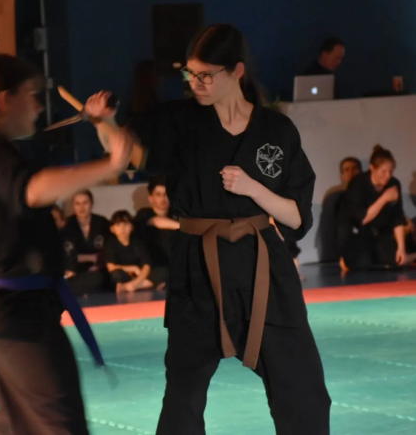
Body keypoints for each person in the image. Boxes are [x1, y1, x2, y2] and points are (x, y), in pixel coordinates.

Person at [86, 24, 331, 435]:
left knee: (304, 392)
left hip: (264, 272)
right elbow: (130, 155)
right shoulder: (179, 121)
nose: (195, 83)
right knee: (182, 399)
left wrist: (253, 188)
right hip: (198, 269)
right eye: (190, 73)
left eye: (205, 75)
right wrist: (105, 123)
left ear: (237, 71)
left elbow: (295, 217)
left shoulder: (276, 129)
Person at [0, 53, 132, 435]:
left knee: (14, 421)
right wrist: (110, 165)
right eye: (31, 95)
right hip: (18, 312)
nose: (39, 107)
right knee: (59, 424)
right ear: (5, 100)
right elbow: (33, 189)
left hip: (2, 307)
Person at [339, 145, 416, 270]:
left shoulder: (394, 184)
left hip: (381, 233)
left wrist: (401, 248)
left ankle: (408, 256)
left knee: (397, 259)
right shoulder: (358, 184)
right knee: (363, 261)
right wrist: (385, 198)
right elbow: (363, 219)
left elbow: (397, 218)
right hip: (358, 233)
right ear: (372, 168)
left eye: (391, 171)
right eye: (383, 172)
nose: (388, 175)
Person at [62, 190, 110, 296]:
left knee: (100, 277)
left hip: (99, 270)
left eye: (85, 203)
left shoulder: (102, 223)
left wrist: (98, 260)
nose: (81, 207)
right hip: (75, 271)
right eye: (77, 204)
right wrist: (91, 257)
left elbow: (111, 249)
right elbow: (66, 254)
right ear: (73, 206)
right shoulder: (67, 225)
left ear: (91, 204)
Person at [134, 175, 178, 289]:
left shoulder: (177, 215)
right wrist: (185, 227)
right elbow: (157, 222)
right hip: (153, 266)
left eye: (166, 194)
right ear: (151, 198)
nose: (163, 198)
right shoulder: (144, 214)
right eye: (158, 194)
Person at [104, 210, 154, 293]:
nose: (122, 228)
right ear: (112, 229)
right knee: (116, 275)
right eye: (118, 225)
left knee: (161, 273)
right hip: (124, 274)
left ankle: (128, 287)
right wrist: (133, 268)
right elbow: (111, 267)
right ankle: (144, 285)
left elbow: (146, 265)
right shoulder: (110, 244)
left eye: (126, 224)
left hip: (139, 275)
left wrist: (136, 283)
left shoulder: (138, 243)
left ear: (132, 227)